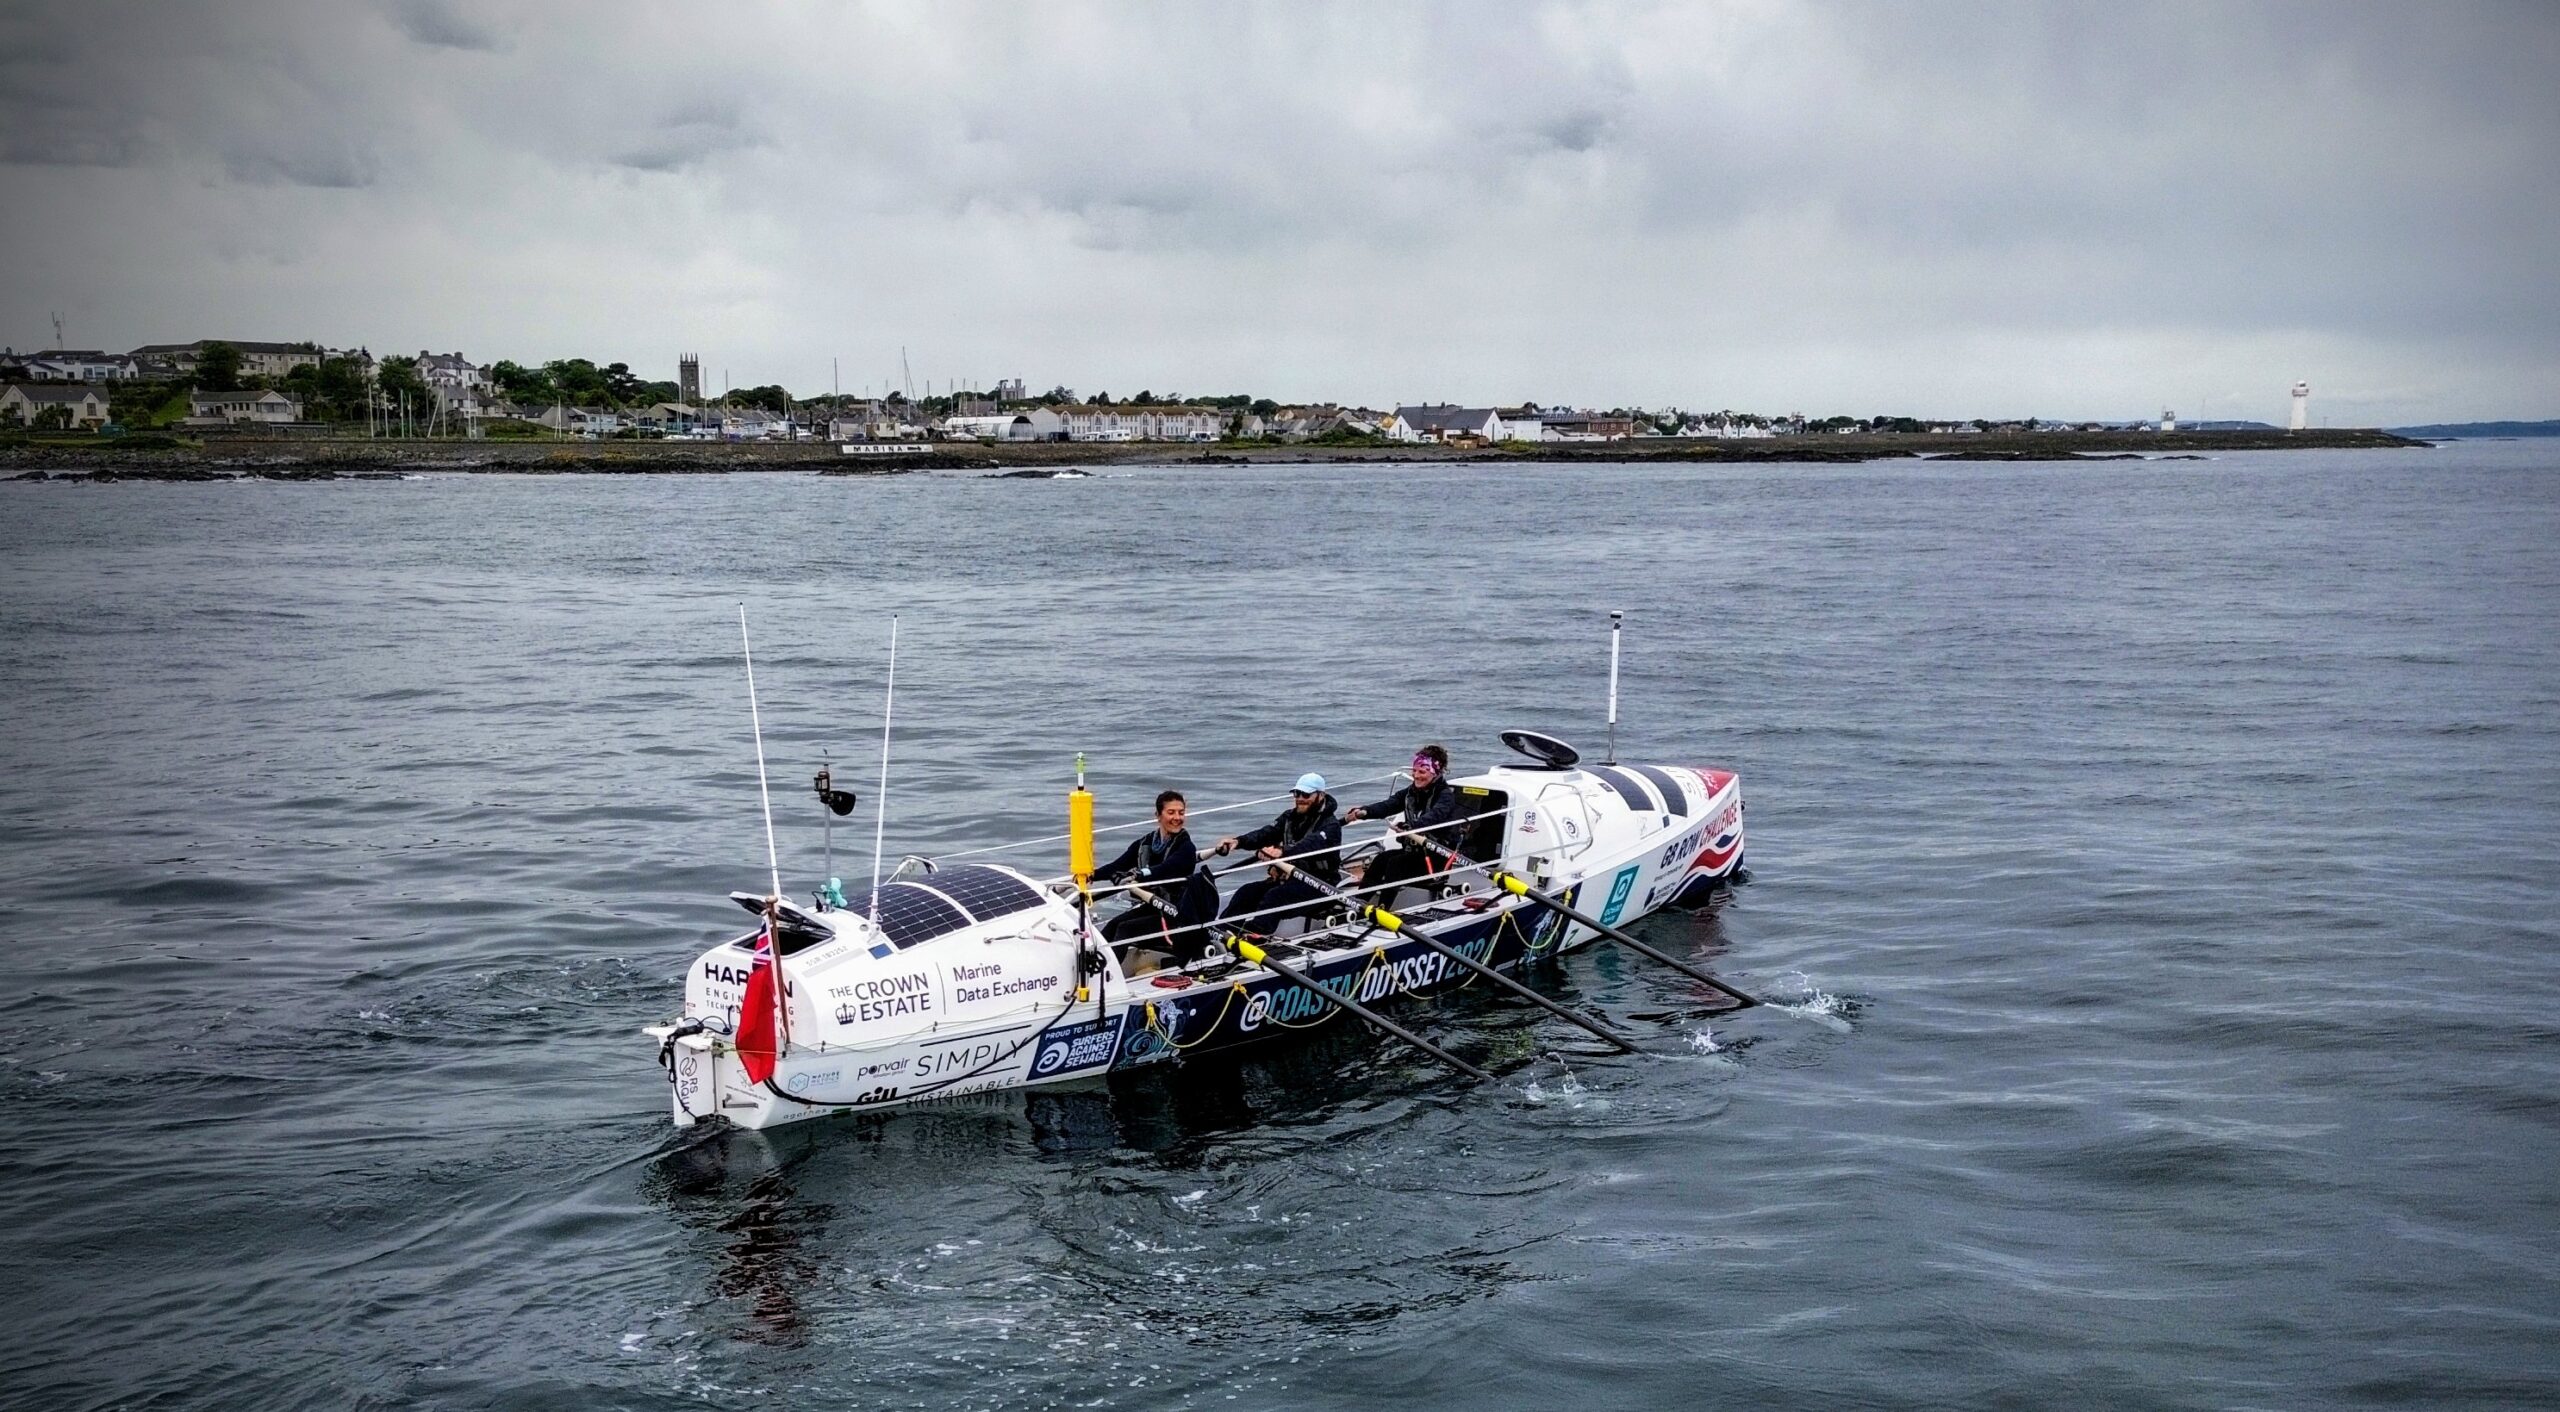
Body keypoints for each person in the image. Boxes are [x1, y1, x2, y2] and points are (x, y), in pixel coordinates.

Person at [1212, 772, 1344, 931]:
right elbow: (1266, 833)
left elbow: (1309, 845)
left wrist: (1282, 852)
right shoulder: (1289, 817)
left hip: (1319, 884)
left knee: (1274, 897)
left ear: (1321, 795)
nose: (1300, 798)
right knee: (1246, 892)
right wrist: (1238, 841)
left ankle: (1257, 936)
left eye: (1306, 794)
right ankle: (1223, 933)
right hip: (1291, 879)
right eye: (1297, 793)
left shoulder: (1330, 826)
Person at [1098, 790, 1219, 959]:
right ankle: (1091, 969)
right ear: (1158, 815)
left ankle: (1109, 973)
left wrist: (1136, 875)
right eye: (1171, 812)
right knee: (1113, 924)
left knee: (1126, 929)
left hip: (1178, 915)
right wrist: (1090, 876)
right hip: (1155, 908)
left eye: (1181, 813)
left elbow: (1163, 869)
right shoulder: (1146, 843)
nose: (1177, 817)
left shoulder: (1186, 848)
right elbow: (1117, 865)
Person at [1343, 744, 1466, 902]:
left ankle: (1383, 908)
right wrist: (1365, 812)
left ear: (1435, 772)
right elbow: (1389, 805)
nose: (1416, 776)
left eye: (1422, 772)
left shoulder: (1445, 796)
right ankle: (1360, 904)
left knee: (1396, 864)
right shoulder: (1411, 792)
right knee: (1380, 860)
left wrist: (1412, 826)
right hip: (1414, 853)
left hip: (1435, 859)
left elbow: (1435, 816)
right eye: (1414, 771)